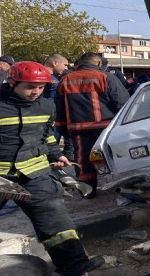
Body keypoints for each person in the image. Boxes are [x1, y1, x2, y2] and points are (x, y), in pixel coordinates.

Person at [0, 61, 104, 276]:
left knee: (56, 220)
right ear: (12, 82)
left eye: (40, 87)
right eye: (29, 87)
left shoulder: (46, 106)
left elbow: (47, 136)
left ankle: (74, 266)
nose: (36, 92)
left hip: (35, 174)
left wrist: (55, 154)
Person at [55, 52, 129, 198]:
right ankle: (124, 186)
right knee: (115, 156)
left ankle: (87, 190)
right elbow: (122, 103)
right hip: (106, 128)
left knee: (83, 160)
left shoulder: (66, 80)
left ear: (79, 63)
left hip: (78, 128)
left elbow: (59, 108)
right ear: (99, 63)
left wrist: (62, 128)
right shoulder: (106, 77)